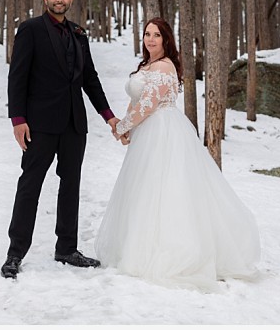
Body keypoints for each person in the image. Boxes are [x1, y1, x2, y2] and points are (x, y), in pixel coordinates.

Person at [95, 17, 260, 291]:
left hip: (163, 131)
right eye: (147, 34)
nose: (150, 39)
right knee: (145, 191)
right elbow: (137, 100)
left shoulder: (165, 66)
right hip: (146, 132)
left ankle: (172, 252)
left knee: (167, 190)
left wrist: (123, 127)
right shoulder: (146, 65)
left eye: (156, 35)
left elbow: (148, 104)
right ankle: (140, 244)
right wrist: (128, 129)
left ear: (166, 40)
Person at [1, 0, 118, 279]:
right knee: (30, 186)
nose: (59, 0)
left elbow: (90, 79)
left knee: (71, 186)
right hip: (39, 125)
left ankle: (67, 248)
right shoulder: (31, 30)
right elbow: (18, 77)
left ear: (70, 0)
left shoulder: (79, 34)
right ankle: (15, 253)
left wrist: (109, 116)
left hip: (74, 125)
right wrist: (18, 119)